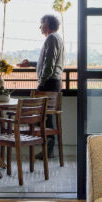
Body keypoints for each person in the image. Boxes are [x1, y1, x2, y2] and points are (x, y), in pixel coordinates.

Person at [19, 14, 64, 158]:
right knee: (45, 117)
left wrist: (41, 84)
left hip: (49, 83)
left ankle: (47, 149)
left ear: (49, 24)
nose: (40, 26)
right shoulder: (57, 38)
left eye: (42, 23)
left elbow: (49, 64)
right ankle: (47, 149)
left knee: (42, 117)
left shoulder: (51, 38)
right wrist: (31, 64)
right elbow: (46, 62)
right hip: (53, 82)